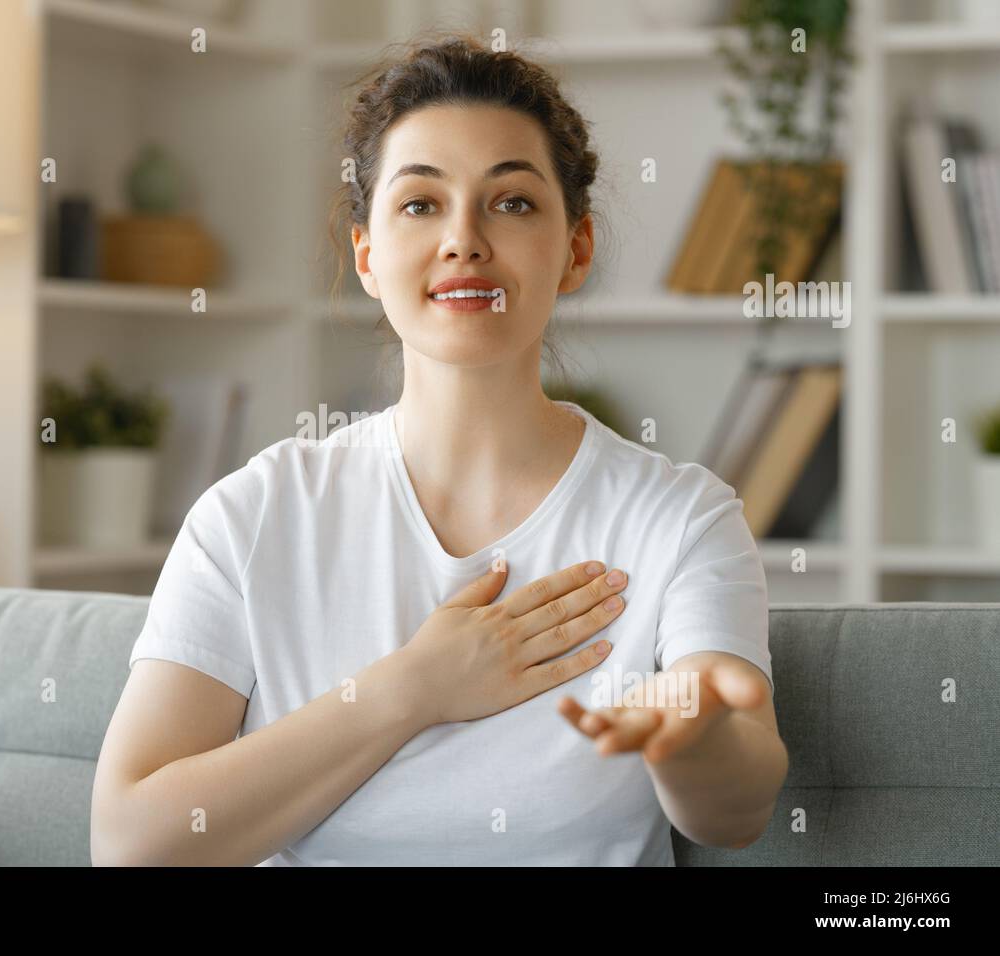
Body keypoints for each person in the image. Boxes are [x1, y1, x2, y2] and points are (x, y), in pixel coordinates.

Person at [92, 34, 788, 867]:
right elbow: (132, 844)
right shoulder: (254, 514)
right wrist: (413, 689)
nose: (464, 239)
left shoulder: (681, 517)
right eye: (420, 204)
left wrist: (694, 738)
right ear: (368, 257)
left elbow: (737, 809)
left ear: (576, 250)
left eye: (514, 202)